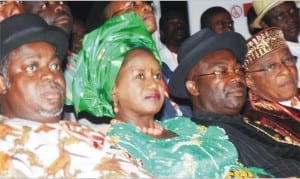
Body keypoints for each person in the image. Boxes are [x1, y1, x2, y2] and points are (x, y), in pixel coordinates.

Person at [71, 12, 272, 178]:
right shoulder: (115, 147)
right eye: (140, 76)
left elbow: (240, 169)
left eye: (157, 75)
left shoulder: (185, 126)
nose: (153, 84)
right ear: (113, 89)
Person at [0, 13, 152, 178]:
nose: (50, 75)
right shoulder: (7, 148)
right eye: (31, 67)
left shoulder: (86, 133)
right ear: (2, 84)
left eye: (54, 66)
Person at [168, 27, 300, 177]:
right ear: (194, 87)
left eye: (238, 70)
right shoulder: (206, 140)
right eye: (222, 72)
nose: (236, 77)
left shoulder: (247, 125)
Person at [242, 27, 300, 145]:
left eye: (288, 59)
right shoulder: (257, 125)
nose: (285, 71)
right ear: (250, 81)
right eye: (271, 66)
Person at [251, 0, 300, 87]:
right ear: (265, 25)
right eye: (280, 16)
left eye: (292, 11)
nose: (291, 19)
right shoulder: (272, 61)